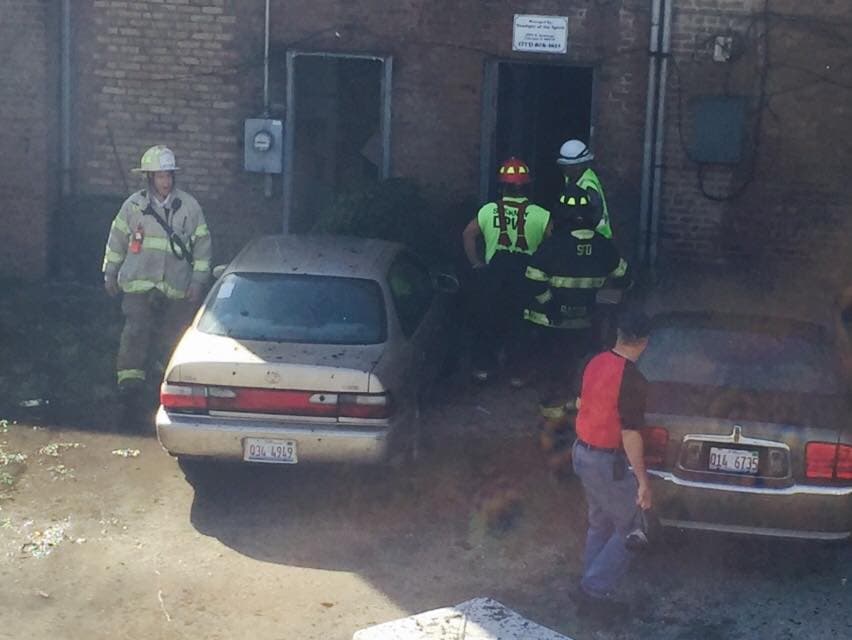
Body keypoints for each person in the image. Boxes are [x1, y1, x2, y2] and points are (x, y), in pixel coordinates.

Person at [102, 144, 212, 405]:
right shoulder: (133, 207)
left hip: (177, 287)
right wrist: (110, 273)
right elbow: (116, 241)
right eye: (161, 176)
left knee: (173, 334)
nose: (166, 181)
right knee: (136, 331)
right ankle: (129, 384)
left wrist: (198, 282)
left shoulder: (189, 207)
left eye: (169, 175)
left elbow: (203, 248)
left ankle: (169, 383)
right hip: (138, 285)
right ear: (149, 178)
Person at [522, 183, 629, 427]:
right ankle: (578, 417)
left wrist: (550, 306)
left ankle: (552, 423)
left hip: (551, 325)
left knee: (553, 369)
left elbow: (533, 279)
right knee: (584, 370)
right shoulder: (604, 246)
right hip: (587, 325)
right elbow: (625, 278)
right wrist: (602, 304)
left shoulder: (553, 245)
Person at [571, 310, 652, 616]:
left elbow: (581, 402)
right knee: (634, 528)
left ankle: (589, 585)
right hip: (607, 461)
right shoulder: (633, 379)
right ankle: (593, 590)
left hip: (581, 453)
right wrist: (643, 482)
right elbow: (630, 435)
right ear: (644, 343)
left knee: (600, 523)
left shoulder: (593, 362)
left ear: (619, 334)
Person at [462, 157, 550, 385]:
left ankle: (484, 369)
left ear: (501, 187)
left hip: (494, 276)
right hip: (525, 277)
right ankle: (517, 374)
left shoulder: (488, 210)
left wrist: (476, 263)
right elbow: (554, 245)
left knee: (488, 319)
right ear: (527, 187)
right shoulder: (542, 215)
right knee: (521, 324)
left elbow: (468, 234)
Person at [557, 139, 613, 239]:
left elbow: (596, 212)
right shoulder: (573, 177)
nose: (565, 170)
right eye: (563, 166)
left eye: (568, 166)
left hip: (597, 237)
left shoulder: (587, 184)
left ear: (578, 166)